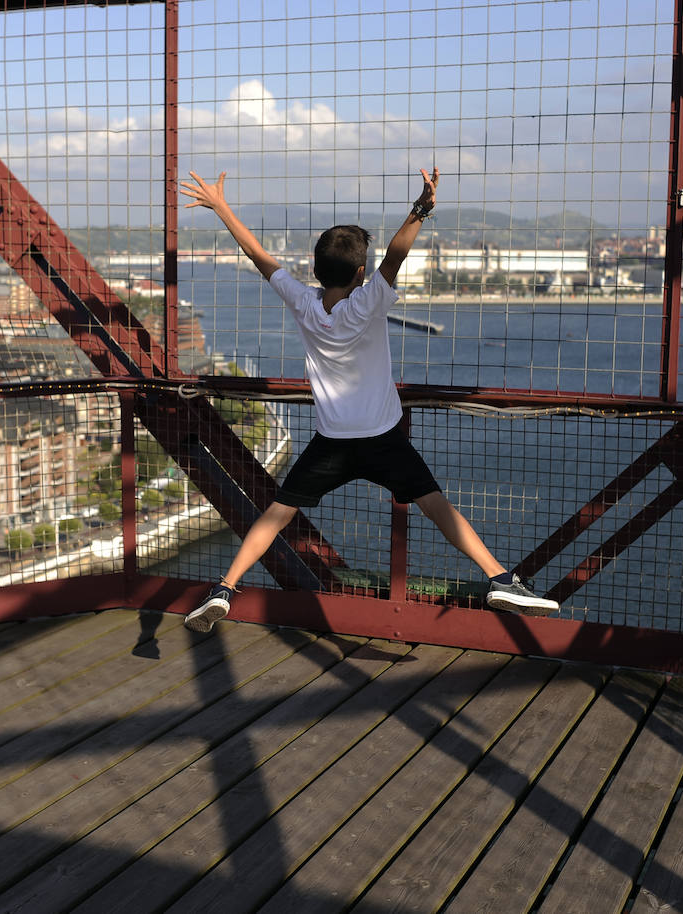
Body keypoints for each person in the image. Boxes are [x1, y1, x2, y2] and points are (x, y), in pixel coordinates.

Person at [179, 167, 558, 632]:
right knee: (438, 507)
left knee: (275, 515)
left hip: (330, 443)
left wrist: (222, 208)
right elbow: (396, 257)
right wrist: (421, 208)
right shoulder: (369, 302)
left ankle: (224, 588)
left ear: (315, 270)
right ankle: (500, 578)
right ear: (361, 272)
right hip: (382, 440)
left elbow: (259, 256)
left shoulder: (302, 302)